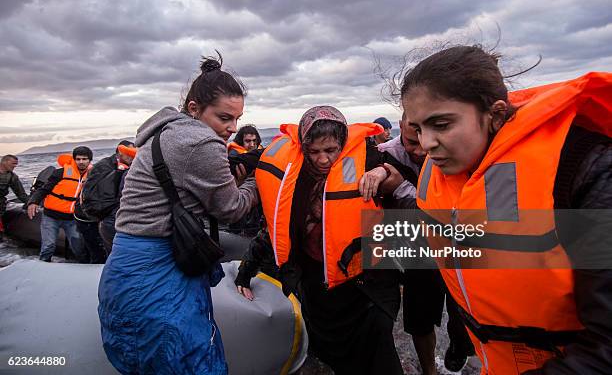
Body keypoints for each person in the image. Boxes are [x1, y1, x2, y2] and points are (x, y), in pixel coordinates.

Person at [402, 45, 612, 374]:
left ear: (496, 114)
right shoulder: (443, 170)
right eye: (417, 129)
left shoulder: (585, 170)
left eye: (440, 125)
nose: (426, 143)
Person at [97, 54, 259, 374]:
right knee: (190, 360)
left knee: (142, 358)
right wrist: (254, 182)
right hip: (160, 273)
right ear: (195, 108)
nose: (231, 128)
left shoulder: (164, 133)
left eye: (237, 119)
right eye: (224, 118)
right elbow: (232, 209)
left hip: (125, 268)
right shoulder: (200, 140)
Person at [254, 106, 403, 375]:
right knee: (333, 357)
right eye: (314, 152)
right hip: (319, 288)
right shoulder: (295, 179)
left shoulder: (367, 160)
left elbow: (403, 177)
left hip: (364, 286)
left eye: (331, 150)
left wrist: (382, 173)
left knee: (380, 353)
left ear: (343, 145)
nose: (323, 159)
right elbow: (275, 229)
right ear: (304, 149)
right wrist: (246, 271)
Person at [361, 113, 474, 374]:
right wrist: (379, 170)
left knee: (464, 316)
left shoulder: (458, 151)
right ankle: (428, 371)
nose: (421, 150)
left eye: (427, 139)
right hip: (415, 250)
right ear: (399, 128)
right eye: (412, 141)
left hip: (457, 244)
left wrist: (400, 186)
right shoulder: (383, 154)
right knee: (419, 320)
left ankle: (459, 345)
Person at [27, 147, 92, 262]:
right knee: (48, 246)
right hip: (51, 217)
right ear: (74, 160)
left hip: (72, 219)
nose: (81, 162)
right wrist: (33, 202)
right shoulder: (60, 173)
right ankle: (42, 267)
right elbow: (43, 189)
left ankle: (84, 269)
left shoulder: (92, 176)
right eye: (78, 159)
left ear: (89, 160)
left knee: (79, 248)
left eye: (84, 159)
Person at [81, 140, 135, 254]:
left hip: (109, 215)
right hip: (108, 216)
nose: (132, 157)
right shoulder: (106, 167)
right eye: (129, 153)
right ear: (120, 152)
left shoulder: (115, 166)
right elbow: (104, 193)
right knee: (116, 251)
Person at [0, 155, 28, 233]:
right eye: (13, 163)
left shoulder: (12, 177)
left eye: (16, 164)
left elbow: (21, 194)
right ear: (4, 162)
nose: (15, 166)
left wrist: (32, 203)